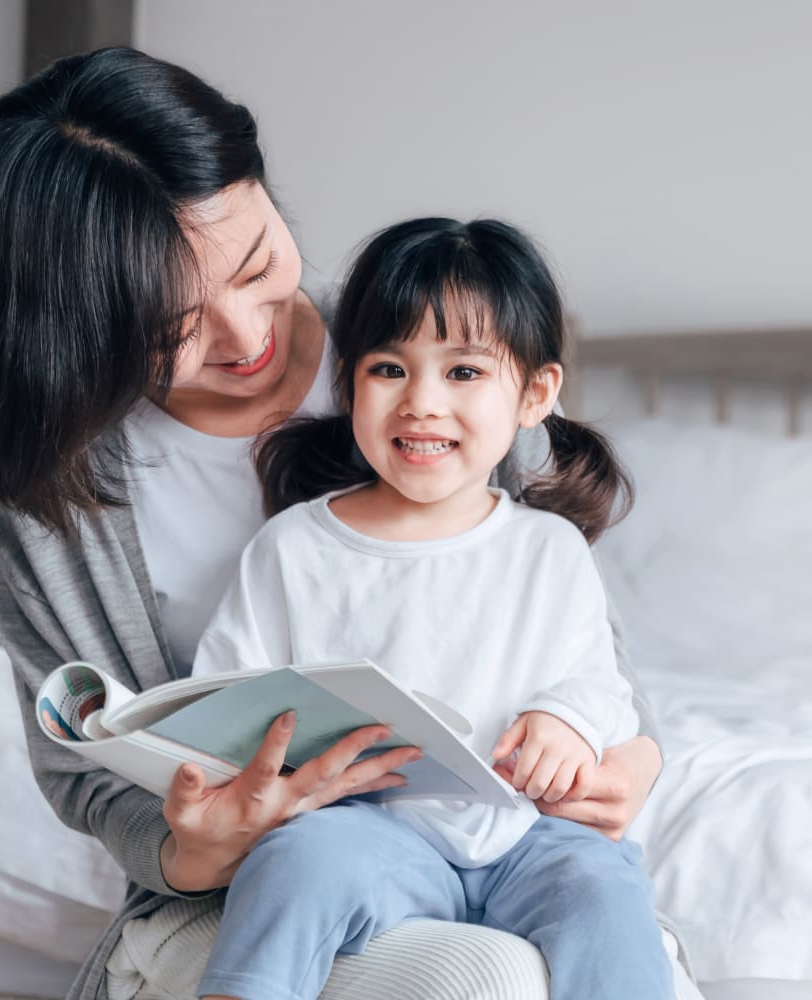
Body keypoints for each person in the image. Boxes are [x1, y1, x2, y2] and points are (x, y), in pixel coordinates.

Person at [0, 47, 674, 1000]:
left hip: (516, 837)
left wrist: (630, 755)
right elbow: (85, 770)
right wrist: (193, 844)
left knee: (591, 931)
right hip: (264, 874)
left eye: (256, 265)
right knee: (477, 980)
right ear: (75, 328)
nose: (248, 337)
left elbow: (575, 641)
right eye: (171, 329)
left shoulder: (440, 363)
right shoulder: (52, 499)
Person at [188, 216, 673, 1000]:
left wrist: (567, 721)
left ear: (535, 394)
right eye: (389, 368)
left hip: (528, 835)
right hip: (370, 830)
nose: (421, 403)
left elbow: (598, 683)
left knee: (605, 889)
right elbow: (226, 697)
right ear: (348, 383)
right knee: (296, 862)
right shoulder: (294, 549)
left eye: (464, 373)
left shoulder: (548, 549)